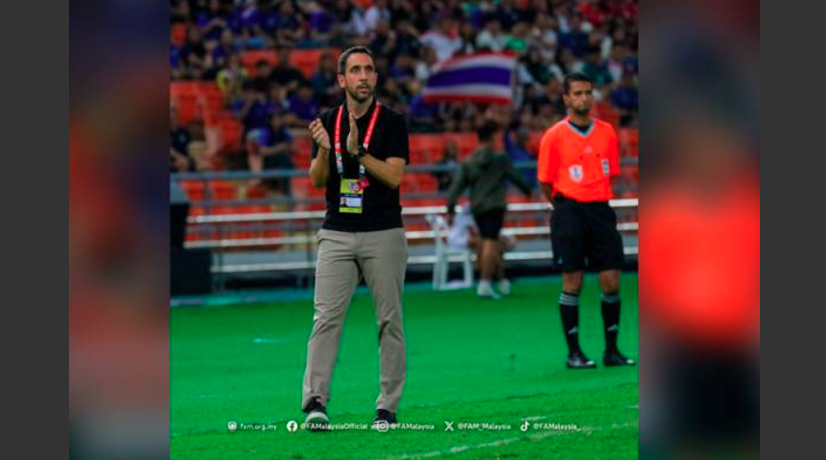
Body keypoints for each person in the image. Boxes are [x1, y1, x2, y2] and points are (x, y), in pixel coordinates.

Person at [303, 46, 410, 431]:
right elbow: (318, 181)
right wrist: (322, 149)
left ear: (376, 78)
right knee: (325, 319)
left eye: (369, 70)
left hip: (383, 233)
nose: (363, 76)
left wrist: (358, 154)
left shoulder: (392, 122)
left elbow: (395, 177)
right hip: (336, 233)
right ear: (341, 79)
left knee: (389, 320)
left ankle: (387, 407)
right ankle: (315, 401)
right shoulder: (326, 121)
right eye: (356, 70)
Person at [536, 72, 636, 369]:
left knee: (612, 281)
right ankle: (574, 353)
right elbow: (545, 182)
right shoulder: (554, 135)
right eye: (577, 93)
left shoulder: (606, 131)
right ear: (566, 98)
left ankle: (611, 351)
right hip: (569, 211)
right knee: (573, 281)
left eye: (587, 92)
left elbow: (611, 172)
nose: (583, 98)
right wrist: (564, 206)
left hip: (601, 211)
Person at [446, 122, 533, 299]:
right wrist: (527, 190)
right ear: (493, 138)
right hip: (495, 205)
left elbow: (456, 187)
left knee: (489, 242)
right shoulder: (500, 159)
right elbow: (516, 177)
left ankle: (502, 282)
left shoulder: (469, 162)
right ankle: (484, 283)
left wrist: (450, 209)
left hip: (477, 208)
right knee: (490, 242)